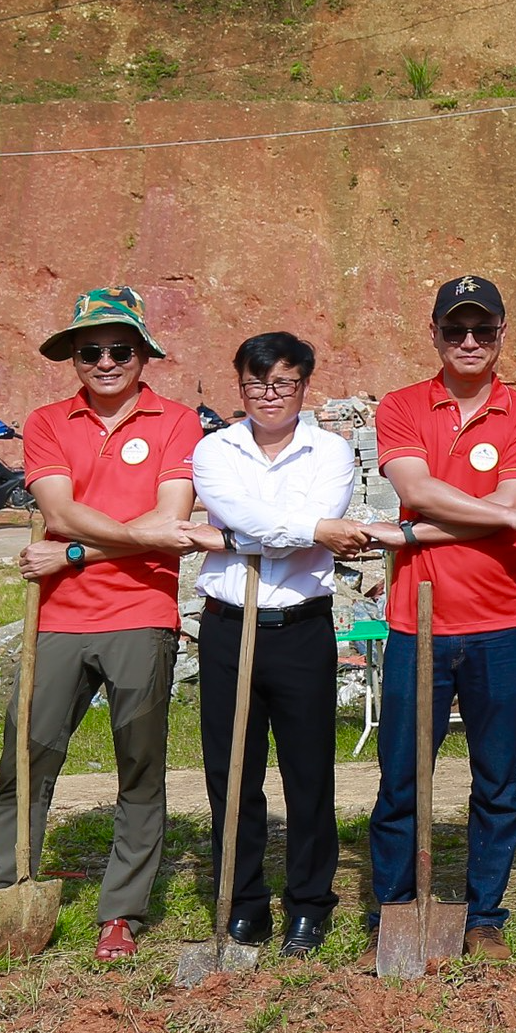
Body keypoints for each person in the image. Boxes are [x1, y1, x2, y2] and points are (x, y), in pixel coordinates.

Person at [0, 287, 221, 969]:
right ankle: (0, 903)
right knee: (24, 764)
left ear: (143, 352)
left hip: (142, 615)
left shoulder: (178, 421)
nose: (106, 360)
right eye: (90, 350)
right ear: (74, 357)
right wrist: (143, 536)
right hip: (57, 619)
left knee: (140, 768)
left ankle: (120, 911)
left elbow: (163, 520)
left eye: (120, 347)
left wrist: (76, 552)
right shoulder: (47, 421)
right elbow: (60, 509)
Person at [366, 274, 516, 960]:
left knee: (497, 776)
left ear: (503, 332)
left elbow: (503, 494)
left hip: (499, 620)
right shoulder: (402, 406)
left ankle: (485, 915)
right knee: (401, 776)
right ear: (435, 333)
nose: (469, 341)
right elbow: (417, 488)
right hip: (417, 620)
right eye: (455, 329)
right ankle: (393, 909)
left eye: (483, 329)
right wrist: (506, 518)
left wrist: (414, 532)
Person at [191, 331, 380, 960]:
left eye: (284, 384)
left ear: (303, 386)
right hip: (227, 625)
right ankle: (243, 903)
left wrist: (246, 534)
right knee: (232, 774)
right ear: (238, 384)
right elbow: (262, 522)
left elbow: (267, 530)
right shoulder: (214, 449)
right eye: (256, 383)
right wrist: (309, 530)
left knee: (309, 775)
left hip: (301, 627)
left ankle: (309, 904)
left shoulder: (330, 452)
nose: (270, 396)